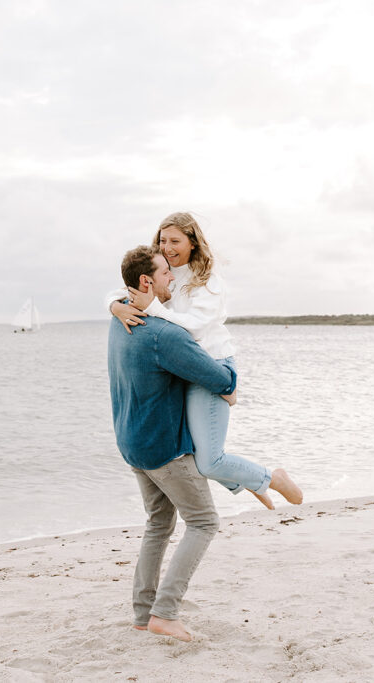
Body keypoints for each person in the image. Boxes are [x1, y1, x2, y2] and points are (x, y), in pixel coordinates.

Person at [106, 212, 302, 510]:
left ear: (193, 243)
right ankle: (249, 481)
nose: (168, 248)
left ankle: (271, 478)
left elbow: (194, 327)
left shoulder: (208, 281)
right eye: (162, 240)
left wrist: (154, 308)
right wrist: (115, 307)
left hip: (211, 365)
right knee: (190, 452)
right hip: (179, 367)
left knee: (209, 461)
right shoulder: (159, 270)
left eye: (175, 241)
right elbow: (124, 289)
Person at [108, 245, 238, 642]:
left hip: (132, 443)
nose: (173, 279)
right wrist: (231, 382)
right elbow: (218, 378)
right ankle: (165, 612)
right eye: (166, 273)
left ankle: (142, 613)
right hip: (165, 449)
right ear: (147, 281)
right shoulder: (164, 334)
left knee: (158, 525)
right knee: (203, 522)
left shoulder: (120, 320)